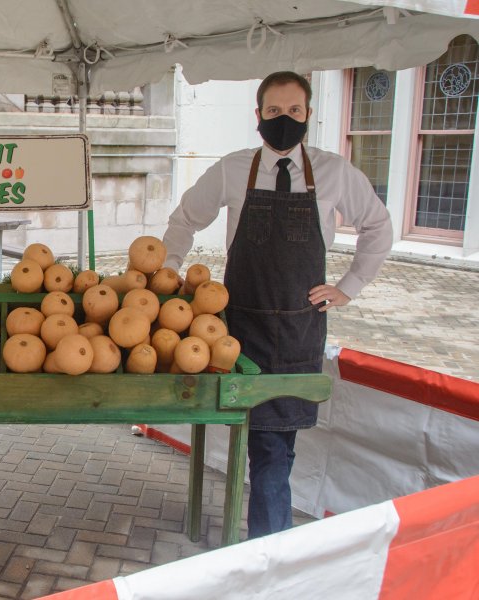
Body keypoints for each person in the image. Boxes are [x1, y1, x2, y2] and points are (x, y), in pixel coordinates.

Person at [160, 71, 393, 538]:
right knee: (263, 444)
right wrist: (170, 270)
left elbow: (378, 226)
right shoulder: (232, 169)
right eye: (273, 112)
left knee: (273, 445)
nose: (283, 120)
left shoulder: (333, 171)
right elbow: (185, 218)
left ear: (308, 115)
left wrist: (348, 286)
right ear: (258, 116)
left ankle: (268, 549)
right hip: (238, 328)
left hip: (300, 328)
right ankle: (270, 548)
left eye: (293, 111)